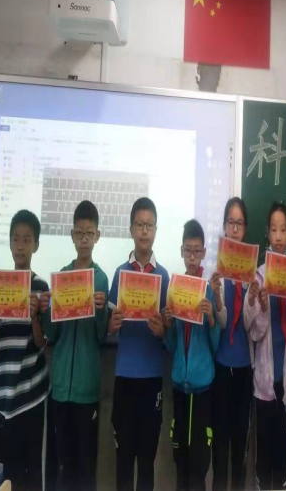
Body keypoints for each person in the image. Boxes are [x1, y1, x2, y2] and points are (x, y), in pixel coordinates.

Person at [39, 200, 109, 491]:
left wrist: (101, 311)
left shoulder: (101, 279)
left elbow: (101, 336)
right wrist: (46, 311)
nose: (84, 239)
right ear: (71, 235)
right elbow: (52, 335)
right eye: (79, 233)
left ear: (97, 236)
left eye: (89, 233)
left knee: (85, 468)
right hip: (60, 391)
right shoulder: (62, 276)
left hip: (87, 390)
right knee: (63, 467)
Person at [0, 210, 49, 491]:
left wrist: (35, 317)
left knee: (33, 471)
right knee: (10, 472)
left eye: (27, 240)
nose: (21, 246)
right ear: (9, 243)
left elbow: (43, 342)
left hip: (32, 393)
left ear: (36, 245)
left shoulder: (41, 287)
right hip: (6, 394)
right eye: (16, 239)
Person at [108, 198, 170, 491]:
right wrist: (111, 326)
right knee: (124, 460)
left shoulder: (164, 276)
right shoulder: (120, 273)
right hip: (124, 377)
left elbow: (168, 332)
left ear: (155, 230)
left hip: (152, 379)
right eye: (140, 225)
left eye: (150, 225)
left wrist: (162, 331)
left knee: (147, 461)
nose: (144, 231)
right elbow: (109, 328)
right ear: (131, 228)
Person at [244, 202, 286, 491]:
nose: (279, 236)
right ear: (267, 234)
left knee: (282, 465)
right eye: (274, 230)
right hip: (264, 387)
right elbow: (255, 333)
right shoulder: (258, 276)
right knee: (263, 464)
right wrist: (263, 306)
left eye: (283, 230)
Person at [163, 219, 220, 491]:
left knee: (199, 466)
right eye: (188, 251)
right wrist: (166, 324)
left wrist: (211, 318)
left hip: (203, 391)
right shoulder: (174, 288)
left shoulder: (208, 290)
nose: (193, 257)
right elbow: (171, 346)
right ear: (182, 251)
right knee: (180, 463)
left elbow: (215, 346)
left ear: (204, 253)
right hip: (179, 389)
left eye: (197, 251)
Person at [211, 198, 253, 491]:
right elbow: (223, 321)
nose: (235, 229)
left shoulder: (253, 273)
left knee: (239, 445)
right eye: (231, 223)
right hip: (221, 367)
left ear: (245, 228)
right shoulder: (218, 269)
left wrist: (253, 296)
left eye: (239, 223)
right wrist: (216, 295)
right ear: (225, 227)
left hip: (245, 367)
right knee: (220, 444)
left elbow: (249, 323)